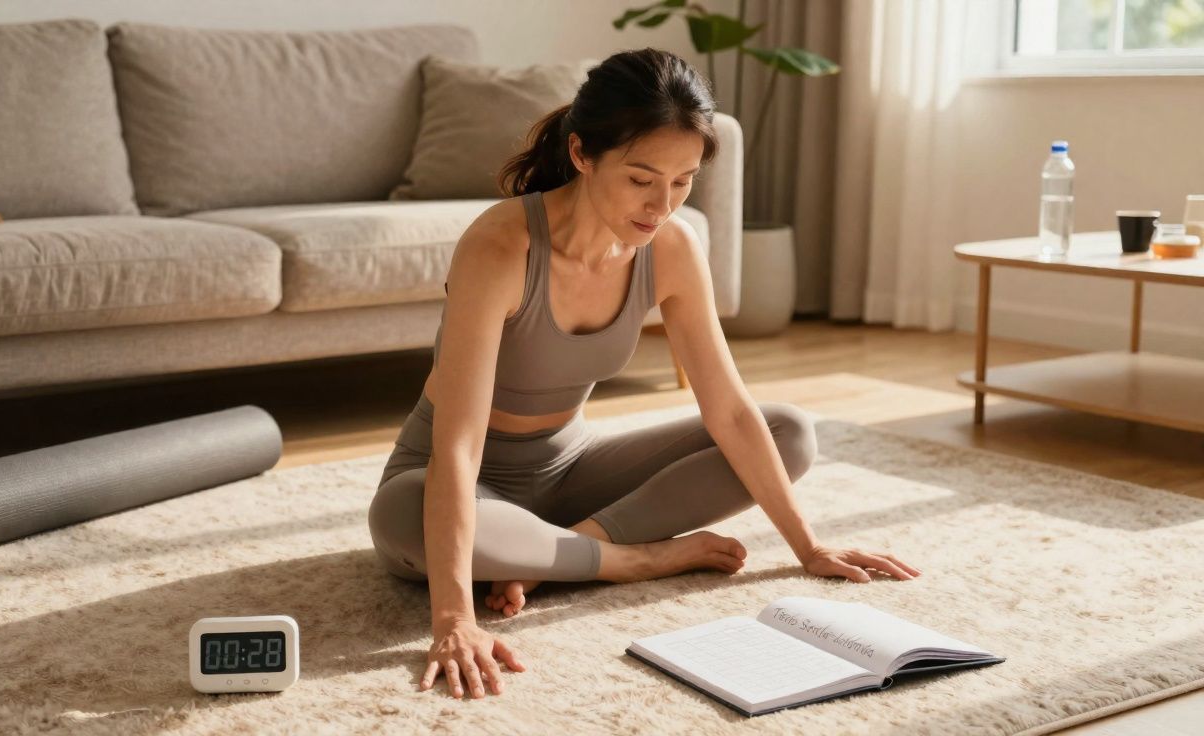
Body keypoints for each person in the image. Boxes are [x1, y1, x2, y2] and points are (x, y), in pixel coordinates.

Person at [367, 47, 922, 702]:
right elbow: (458, 448)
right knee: (404, 519)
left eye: (683, 181)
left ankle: (567, 550)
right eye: (640, 179)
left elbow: (732, 412)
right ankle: (630, 558)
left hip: (570, 474)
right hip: (453, 477)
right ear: (581, 153)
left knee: (789, 432)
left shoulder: (675, 246)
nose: (662, 205)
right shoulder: (499, 247)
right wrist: (455, 619)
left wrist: (809, 546)